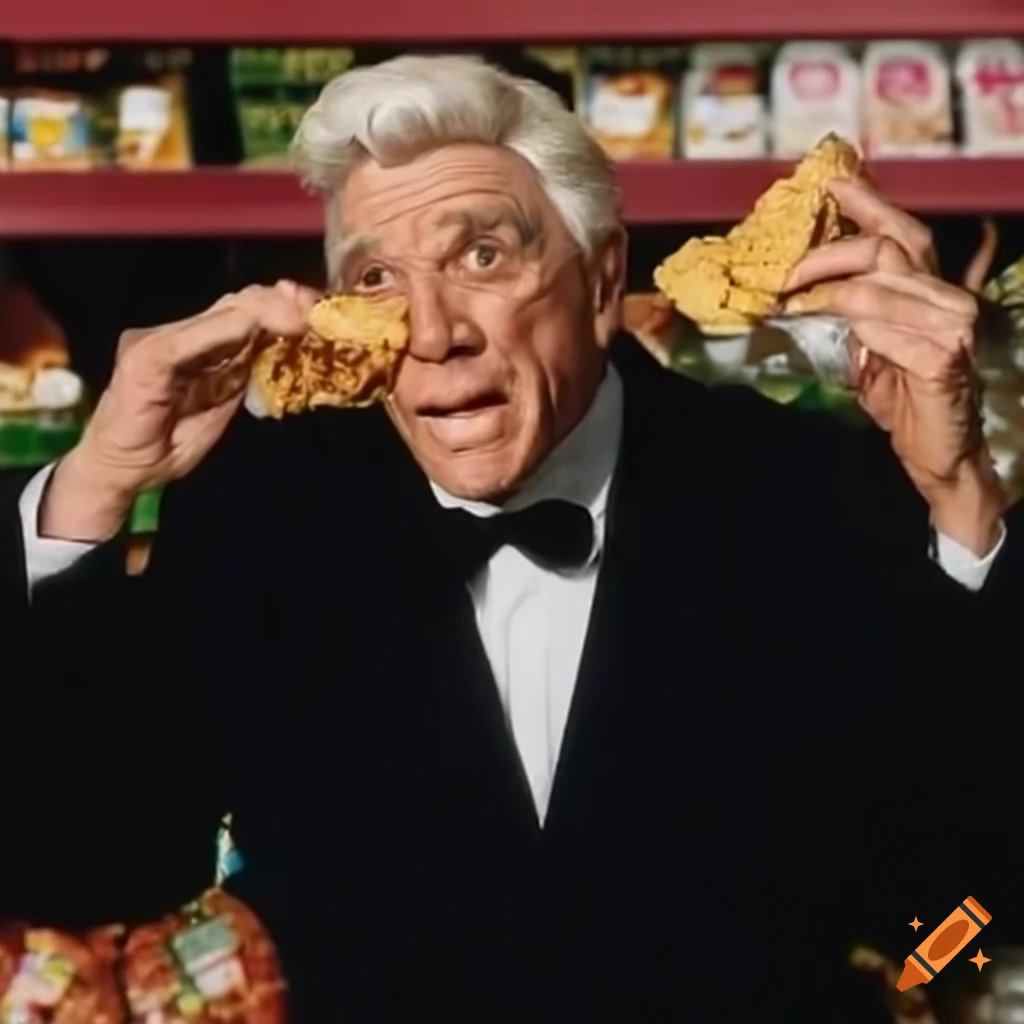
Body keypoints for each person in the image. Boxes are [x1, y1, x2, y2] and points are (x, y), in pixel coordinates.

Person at [0, 54, 1020, 1022]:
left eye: (481, 253)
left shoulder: (818, 491)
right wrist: (91, 494)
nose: (434, 333)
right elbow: (84, 869)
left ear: (602, 276)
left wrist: (962, 500)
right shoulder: (266, 507)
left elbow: (979, 917)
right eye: (376, 281)